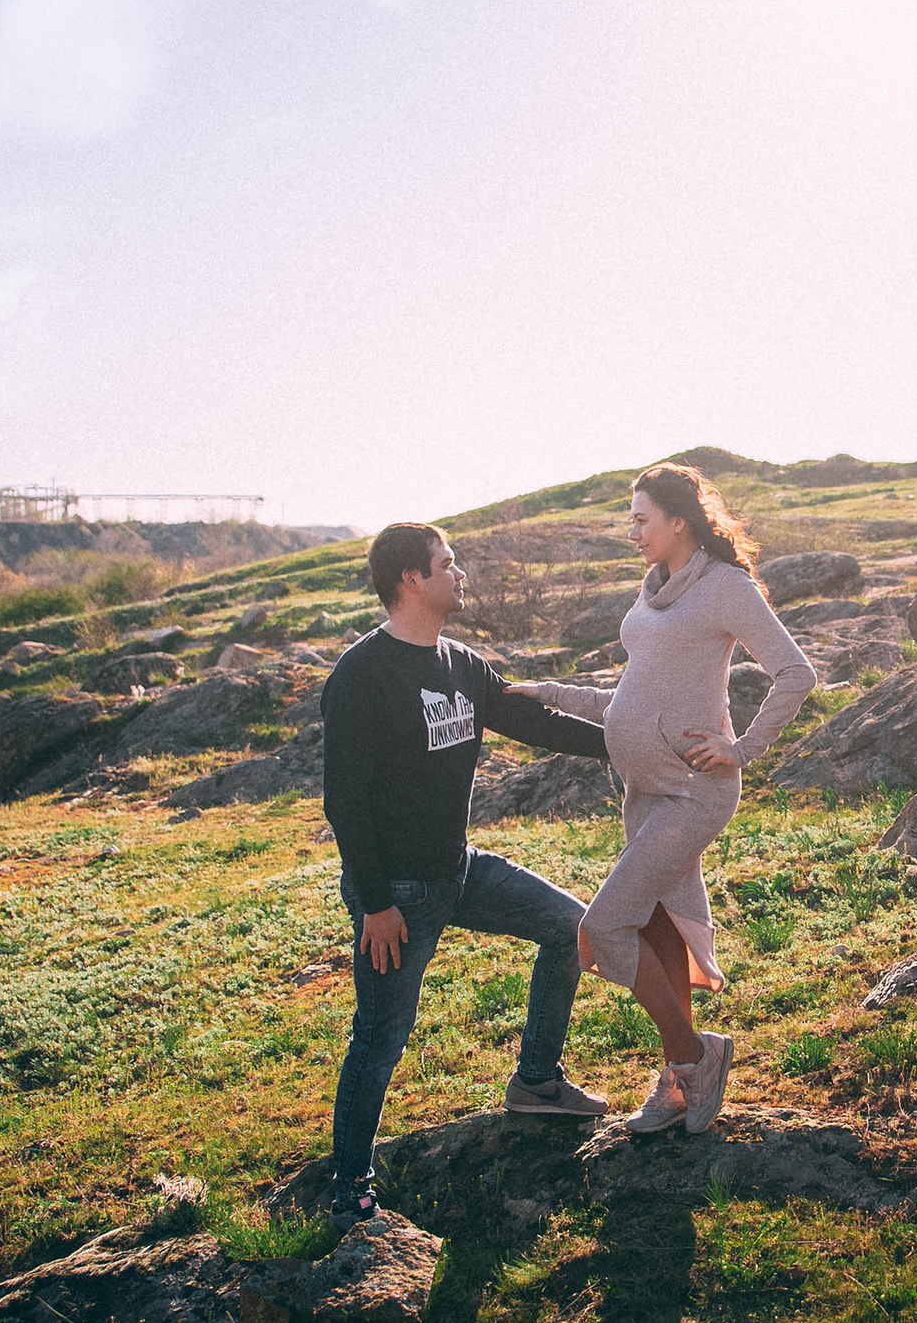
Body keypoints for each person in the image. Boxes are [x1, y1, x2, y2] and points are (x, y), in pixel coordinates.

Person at [319, 521, 614, 1229]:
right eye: (448, 564)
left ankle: (537, 1080)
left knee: (571, 927)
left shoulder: (461, 663)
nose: (462, 574)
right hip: (396, 894)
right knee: (380, 1038)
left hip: (458, 869)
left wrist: (624, 746)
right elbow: (344, 801)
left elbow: (532, 721)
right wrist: (377, 903)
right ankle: (349, 1186)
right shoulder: (362, 675)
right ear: (410, 580)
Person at [513, 464, 816, 1135]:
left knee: (604, 927)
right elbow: (633, 698)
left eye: (641, 518)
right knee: (661, 930)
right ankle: (680, 1082)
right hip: (647, 793)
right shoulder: (653, 592)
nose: (633, 530)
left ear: (679, 520)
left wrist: (742, 748)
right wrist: (554, 693)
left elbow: (797, 672)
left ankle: (696, 1054)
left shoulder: (725, 587)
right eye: (630, 519)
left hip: (693, 791)